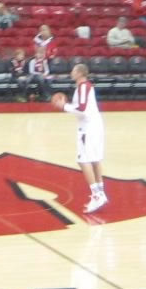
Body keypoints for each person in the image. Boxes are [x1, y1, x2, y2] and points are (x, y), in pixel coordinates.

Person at [59, 62, 108, 213]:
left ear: (80, 73)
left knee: (82, 160)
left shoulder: (83, 87)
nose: (71, 72)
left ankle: (96, 195)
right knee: (95, 158)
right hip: (95, 126)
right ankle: (101, 192)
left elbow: (82, 109)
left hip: (88, 128)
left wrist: (64, 106)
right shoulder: (85, 87)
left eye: (73, 70)